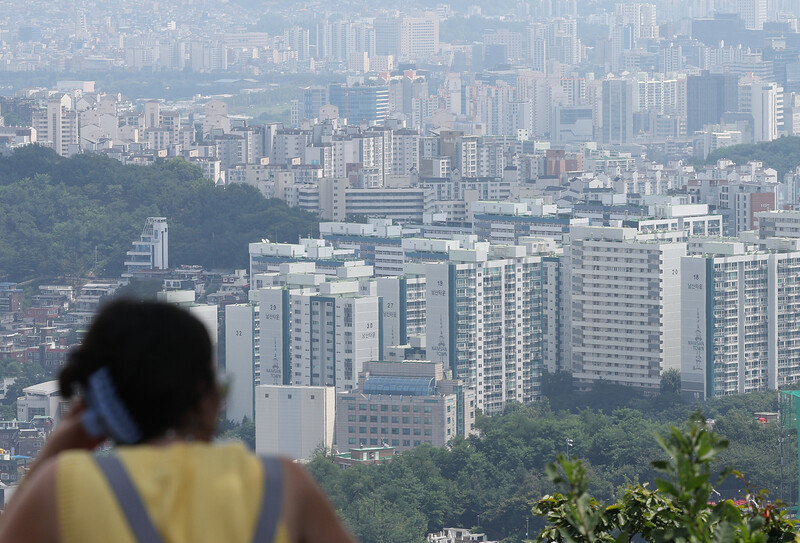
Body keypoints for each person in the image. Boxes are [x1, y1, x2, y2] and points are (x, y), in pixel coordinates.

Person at [0, 299, 356, 543]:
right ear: (209, 398)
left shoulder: (64, 486)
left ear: (99, 409)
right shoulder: (282, 483)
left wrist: (59, 446)